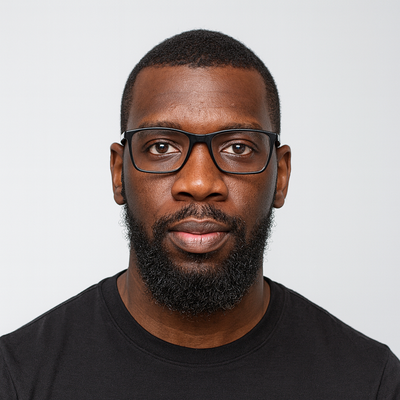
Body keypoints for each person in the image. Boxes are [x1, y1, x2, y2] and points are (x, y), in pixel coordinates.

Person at [1, 29, 399, 399]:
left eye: (238, 148)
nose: (199, 182)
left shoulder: (371, 382)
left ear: (281, 176)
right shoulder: (17, 377)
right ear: (119, 173)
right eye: (161, 147)